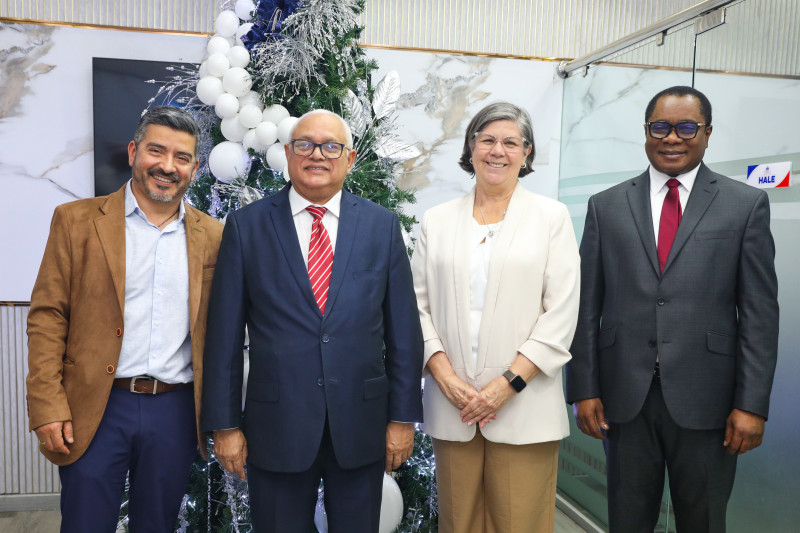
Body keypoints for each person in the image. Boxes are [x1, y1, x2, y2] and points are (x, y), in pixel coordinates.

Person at [566, 86, 779, 532]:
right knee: (627, 520)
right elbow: (587, 307)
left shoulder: (744, 206)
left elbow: (759, 315)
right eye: (660, 127)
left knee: (701, 521)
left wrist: (752, 405)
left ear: (707, 133)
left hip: (711, 403)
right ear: (646, 132)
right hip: (625, 400)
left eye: (687, 127)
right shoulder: (606, 206)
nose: (672, 139)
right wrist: (583, 389)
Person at [201, 109, 423, 532]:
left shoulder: (382, 227)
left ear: (350, 158)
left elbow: (404, 334)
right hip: (276, 426)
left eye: (330, 146)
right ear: (288, 153)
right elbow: (224, 337)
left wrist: (402, 418)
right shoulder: (248, 227)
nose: (316, 154)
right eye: (304, 144)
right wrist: (225, 425)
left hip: (362, 426)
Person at [26, 105, 224, 532]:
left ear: (194, 167)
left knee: (157, 525)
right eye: (157, 151)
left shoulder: (214, 236)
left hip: (175, 409)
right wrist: (46, 404)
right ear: (134, 152)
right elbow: (47, 316)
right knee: (85, 524)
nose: (167, 166)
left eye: (182, 157)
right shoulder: (76, 221)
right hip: (95, 405)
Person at [410, 102, 581, 532]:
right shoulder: (437, 220)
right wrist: (446, 379)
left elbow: (561, 312)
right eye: (486, 140)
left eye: (510, 142)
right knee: (458, 523)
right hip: (455, 405)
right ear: (470, 149)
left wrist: (508, 384)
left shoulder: (551, 218)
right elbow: (416, 308)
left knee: (520, 522)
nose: (497, 151)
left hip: (525, 406)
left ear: (526, 153)